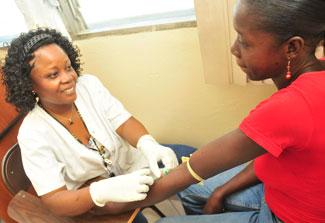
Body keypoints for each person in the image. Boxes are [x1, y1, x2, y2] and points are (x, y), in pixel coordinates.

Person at [94, 0, 325, 222]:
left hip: (290, 215)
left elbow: (187, 175)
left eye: (244, 42)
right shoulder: (317, 72)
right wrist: (220, 192)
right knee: (194, 193)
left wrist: (96, 204)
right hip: (284, 192)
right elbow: (275, 148)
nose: (234, 49)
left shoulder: (288, 107)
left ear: (292, 47)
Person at [1, 28, 197, 222]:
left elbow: (124, 122)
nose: (68, 78)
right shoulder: (32, 133)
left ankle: (201, 210)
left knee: (190, 159)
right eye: (53, 75)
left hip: (133, 163)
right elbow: (54, 200)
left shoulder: (89, 86)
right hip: (94, 197)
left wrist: (148, 144)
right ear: (29, 85)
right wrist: (100, 192)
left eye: (68, 67)